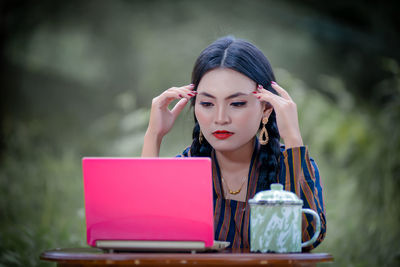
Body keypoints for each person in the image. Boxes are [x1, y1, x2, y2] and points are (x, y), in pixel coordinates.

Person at [141, 36, 326, 250]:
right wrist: (154, 135)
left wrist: (293, 137)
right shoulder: (183, 171)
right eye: (207, 103)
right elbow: (146, 235)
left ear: (266, 107)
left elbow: (306, 238)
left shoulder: (289, 167)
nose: (220, 118)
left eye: (237, 103)